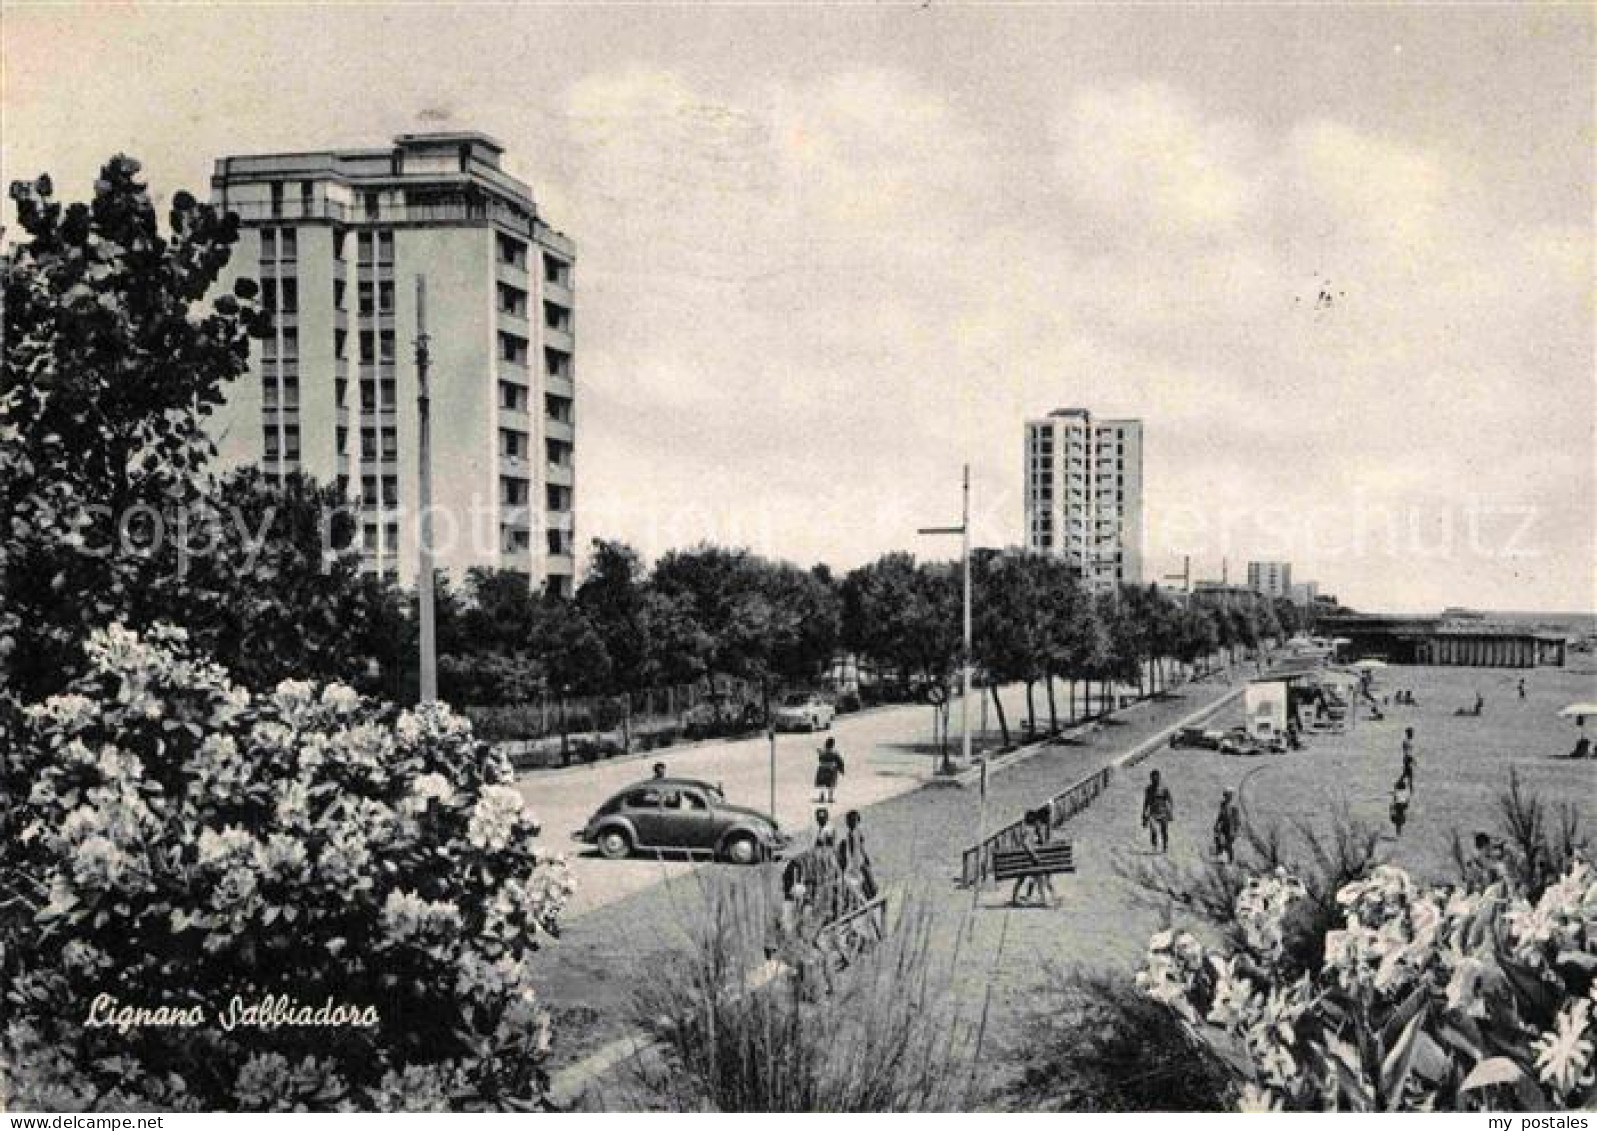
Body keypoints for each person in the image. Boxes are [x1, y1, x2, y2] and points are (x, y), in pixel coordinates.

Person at [836, 809, 878, 902]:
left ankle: (869, 895)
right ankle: (867, 896)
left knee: (865, 879)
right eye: (852, 821)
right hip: (856, 861)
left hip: (859, 860)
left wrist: (865, 857)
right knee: (862, 879)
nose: (854, 823)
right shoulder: (850, 835)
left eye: (854, 821)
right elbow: (854, 850)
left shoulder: (856, 833)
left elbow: (860, 847)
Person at [1141, 770, 1174, 854]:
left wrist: (1170, 812)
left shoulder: (1164, 788)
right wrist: (1144, 815)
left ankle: (1165, 846)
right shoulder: (1148, 789)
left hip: (1163, 812)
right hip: (1152, 813)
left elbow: (1170, 800)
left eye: (1156, 777)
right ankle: (1154, 846)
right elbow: (1146, 802)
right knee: (1153, 830)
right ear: (1151, 778)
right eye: (1153, 777)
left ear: (1159, 777)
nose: (1155, 779)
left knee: (1164, 829)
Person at [1212, 788, 1242, 863]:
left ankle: (1230, 860)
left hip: (1231, 828)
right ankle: (1220, 856)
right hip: (1224, 827)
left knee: (1228, 845)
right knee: (1218, 839)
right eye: (1226, 794)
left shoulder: (1234, 806)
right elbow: (1221, 815)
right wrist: (1216, 824)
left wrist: (1236, 830)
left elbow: (1237, 820)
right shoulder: (1223, 804)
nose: (1227, 796)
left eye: (1229, 795)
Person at [814, 737, 845, 804]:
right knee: (831, 784)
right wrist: (841, 770)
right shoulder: (835, 752)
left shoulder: (822, 751)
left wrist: (819, 753)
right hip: (831, 769)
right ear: (832, 744)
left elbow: (820, 759)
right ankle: (830, 798)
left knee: (822, 784)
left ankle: (822, 796)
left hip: (822, 768)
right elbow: (839, 761)